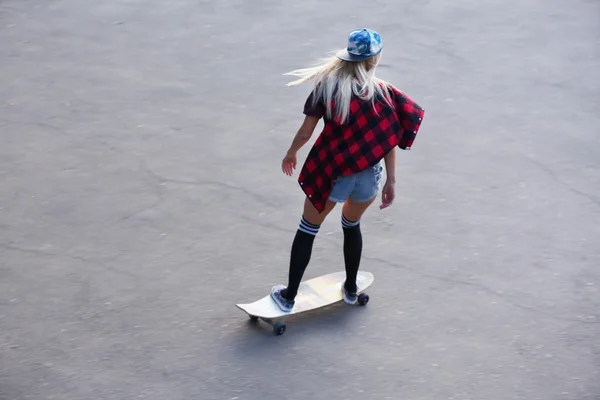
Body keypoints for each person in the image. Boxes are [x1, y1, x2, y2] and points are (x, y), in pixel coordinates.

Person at [270, 28, 425, 312]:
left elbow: (306, 132)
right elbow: (388, 140)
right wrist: (391, 181)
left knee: (308, 229)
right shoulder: (383, 93)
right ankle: (351, 289)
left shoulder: (328, 88)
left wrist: (291, 153)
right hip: (368, 176)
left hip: (334, 173)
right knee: (351, 225)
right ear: (375, 58)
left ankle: (288, 296)